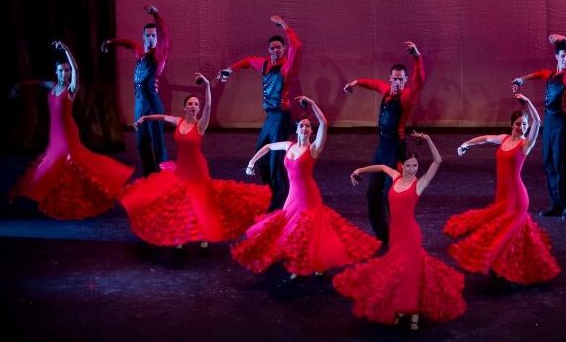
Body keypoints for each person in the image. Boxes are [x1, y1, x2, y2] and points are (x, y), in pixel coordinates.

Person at [231, 97, 380, 278]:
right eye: (301, 125)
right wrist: (251, 162)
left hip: (309, 195)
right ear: (296, 129)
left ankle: (309, 264)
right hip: (293, 195)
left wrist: (311, 103)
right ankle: (300, 262)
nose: (304, 128)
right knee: (291, 228)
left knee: (309, 229)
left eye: (308, 126)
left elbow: (324, 123)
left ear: (311, 131)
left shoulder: (314, 149)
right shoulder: (289, 146)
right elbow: (269, 146)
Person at [333, 132, 465, 332]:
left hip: (411, 235)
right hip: (396, 234)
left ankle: (413, 313)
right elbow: (382, 167)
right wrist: (359, 170)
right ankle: (400, 308)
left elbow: (438, 161)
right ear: (401, 166)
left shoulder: (419, 184)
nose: (413, 169)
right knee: (398, 271)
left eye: (415, 166)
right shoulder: (395, 177)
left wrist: (428, 139)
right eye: (409, 165)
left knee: (411, 272)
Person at [121, 73, 270, 248]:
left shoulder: (201, 124)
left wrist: (207, 84)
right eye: (190, 104)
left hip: (197, 170)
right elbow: (162, 117)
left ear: (198, 109)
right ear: (185, 108)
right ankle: (182, 234)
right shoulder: (179, 121)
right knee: (181, 201)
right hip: (182, 169)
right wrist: (145, 118)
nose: (193, 106)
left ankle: (204, 235)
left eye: (196, 104)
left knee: (200, 201)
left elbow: (209, 105)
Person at [444, 94, 560, 284]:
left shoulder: (525, 144)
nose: (522, 128)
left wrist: (528, 102)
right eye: (518, 124)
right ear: (511, 125)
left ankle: (505, 268)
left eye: (524, 125)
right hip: (502, 195)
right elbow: (486, 139)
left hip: (517, 197)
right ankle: (502, 266)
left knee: (509, 234)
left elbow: (538, 122)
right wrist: (466, 144)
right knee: (501, 230)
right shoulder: (504, 139)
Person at [10, 41, 133, 219]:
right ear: (56, 72)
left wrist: (66, 49)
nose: (64, 73)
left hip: (68, 134)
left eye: (67, 71)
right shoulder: (52, 86)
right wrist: (19, 86)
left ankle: (83, 195)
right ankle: (34, 192)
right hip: (55, 135)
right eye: (61, 70)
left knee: (73, 164)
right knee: (51, 165)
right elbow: (37, 83)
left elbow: (76, 69)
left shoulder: (71, 89)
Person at [343, 41, 426, 244]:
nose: (397, 82)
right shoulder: (387, 90)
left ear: (405, 80)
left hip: (395, 148)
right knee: (373, 192)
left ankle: (400, 234)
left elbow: (420, 80)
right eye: (395, 79)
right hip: (382, 148)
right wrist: (355, 82)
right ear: (391, 79)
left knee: (392, 195)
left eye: (401, 80)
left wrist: (416, 56)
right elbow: (372, 83)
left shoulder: (407, 97)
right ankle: (382, 236)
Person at [216, 15, 301, 210]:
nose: (276, 50)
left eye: (279, 47)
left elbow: (296, 45)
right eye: (272, 48)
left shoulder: (286, 65)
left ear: (283, 49)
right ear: (268, 50)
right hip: (270, 118)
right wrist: (230, 69)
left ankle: (282, 199)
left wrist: (285, 27)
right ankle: (271, 191)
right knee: (261, 155)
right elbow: (247, 61)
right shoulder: (263, 64)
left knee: (275, 159)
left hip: (280, 116)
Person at [512, 34, 566, 220]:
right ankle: (556, 204)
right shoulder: (551, 74)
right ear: (557, 57)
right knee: (548, 163)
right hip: (549, 122)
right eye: (564, 56)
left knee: (559, 164)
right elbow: (539, 74)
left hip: (561, 123)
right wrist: (522, 79)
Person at [101, 5, 170, 176]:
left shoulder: (159, 53)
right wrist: (111, 42)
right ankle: (149, 176)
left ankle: (166, 178)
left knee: (157, 142)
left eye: (154, 36)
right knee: (142, 142)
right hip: (140, 103)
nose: (151, 39)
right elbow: (129, 43)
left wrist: (155, 14)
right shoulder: (140, 52)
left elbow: (165, 35)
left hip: (152, 103)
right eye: (148, 36)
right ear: (143, 37)